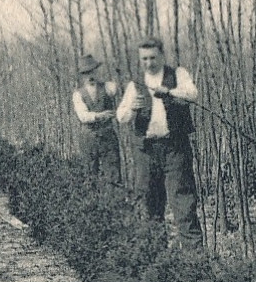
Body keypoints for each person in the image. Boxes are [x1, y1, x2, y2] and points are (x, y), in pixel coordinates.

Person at [116, 37, 202, 244]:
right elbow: (121, 116)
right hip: (146, 151)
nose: (149, 63)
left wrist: (170, 92)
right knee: (149, 205)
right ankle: (159, 262)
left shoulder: (178, 75)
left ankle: (195, 264)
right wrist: (132, 109)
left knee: (184, 205)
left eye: (153, 57)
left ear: (162, 55)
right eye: (144, 59)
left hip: (175, 149)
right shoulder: (135, 84)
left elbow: (192, 94)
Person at [71, 54, 122, 185]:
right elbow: (83, 116)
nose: (90, 76)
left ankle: (115, 203)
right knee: (90, 175)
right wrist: (100, 115)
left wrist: (116, 72)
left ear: (96, 71)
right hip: (89, 137)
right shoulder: (78, 94)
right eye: (86, 73)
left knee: (113, 174)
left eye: (92, 71)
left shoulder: (106, 87)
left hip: (107, 136)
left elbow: (115, 88)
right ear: (82, 76)